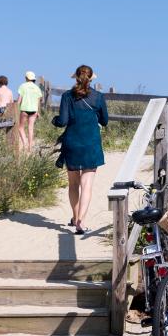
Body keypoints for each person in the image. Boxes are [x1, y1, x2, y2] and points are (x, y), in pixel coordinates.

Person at [52, 65, 108, 235]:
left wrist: (54, 120)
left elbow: (62, 121)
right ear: (91, 79)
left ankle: (75, 218)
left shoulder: (67, 96)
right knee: (87, 185)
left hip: (72, 144)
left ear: (75, 78)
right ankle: (81, 222)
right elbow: (104, 121)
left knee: (73, 184)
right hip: (91, 144)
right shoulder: (98, 97)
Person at [17, 71, 43, 151]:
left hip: (24, 109)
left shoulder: (23, 86)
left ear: (26, 78)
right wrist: (38, 111)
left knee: (20, 127)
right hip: (34, 110)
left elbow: (19, 100)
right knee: (30, 128)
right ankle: (30, 147)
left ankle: (25, 142)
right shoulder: (37, 88)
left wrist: (16, 108)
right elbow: (38, 101)